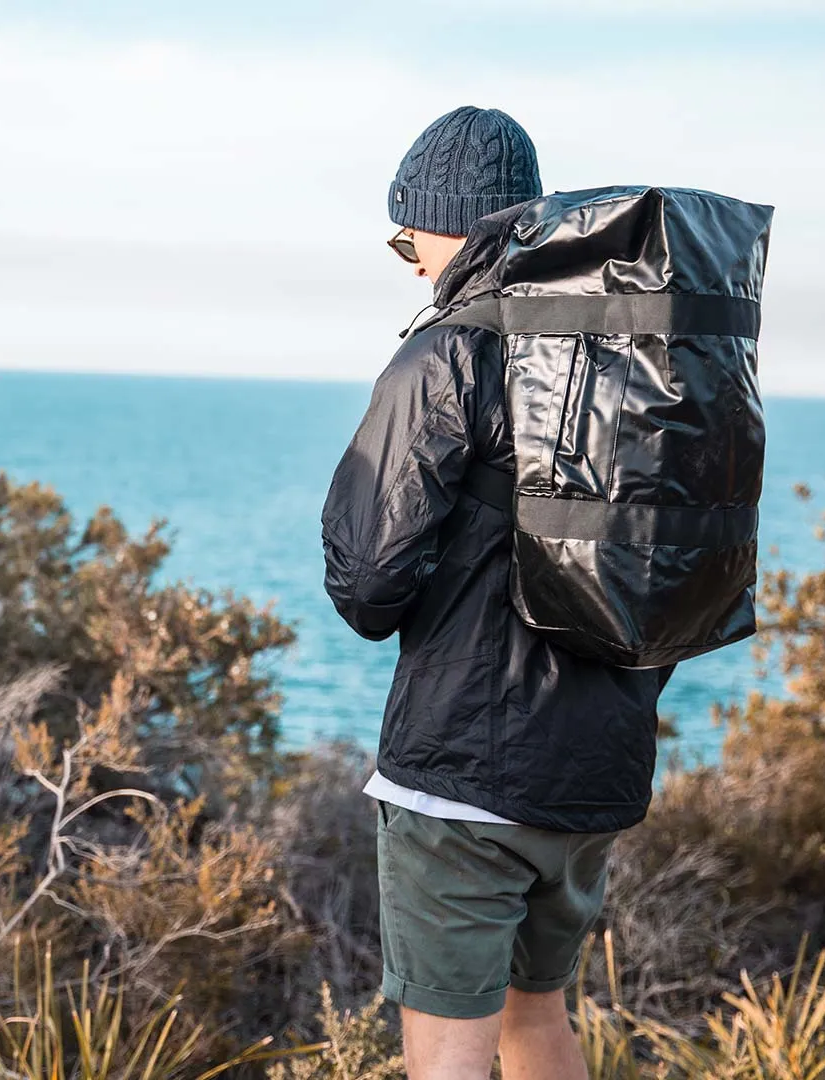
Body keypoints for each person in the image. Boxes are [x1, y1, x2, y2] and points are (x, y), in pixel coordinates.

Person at [321, 106, 674, 1080]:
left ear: (455, 229)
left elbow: (366, 582)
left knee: (448, 1053)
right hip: (594, 773)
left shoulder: (448, 349)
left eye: (409, 238)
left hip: (464, 777)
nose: (410, 260)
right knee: (538, 1020)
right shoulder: (629, 352)